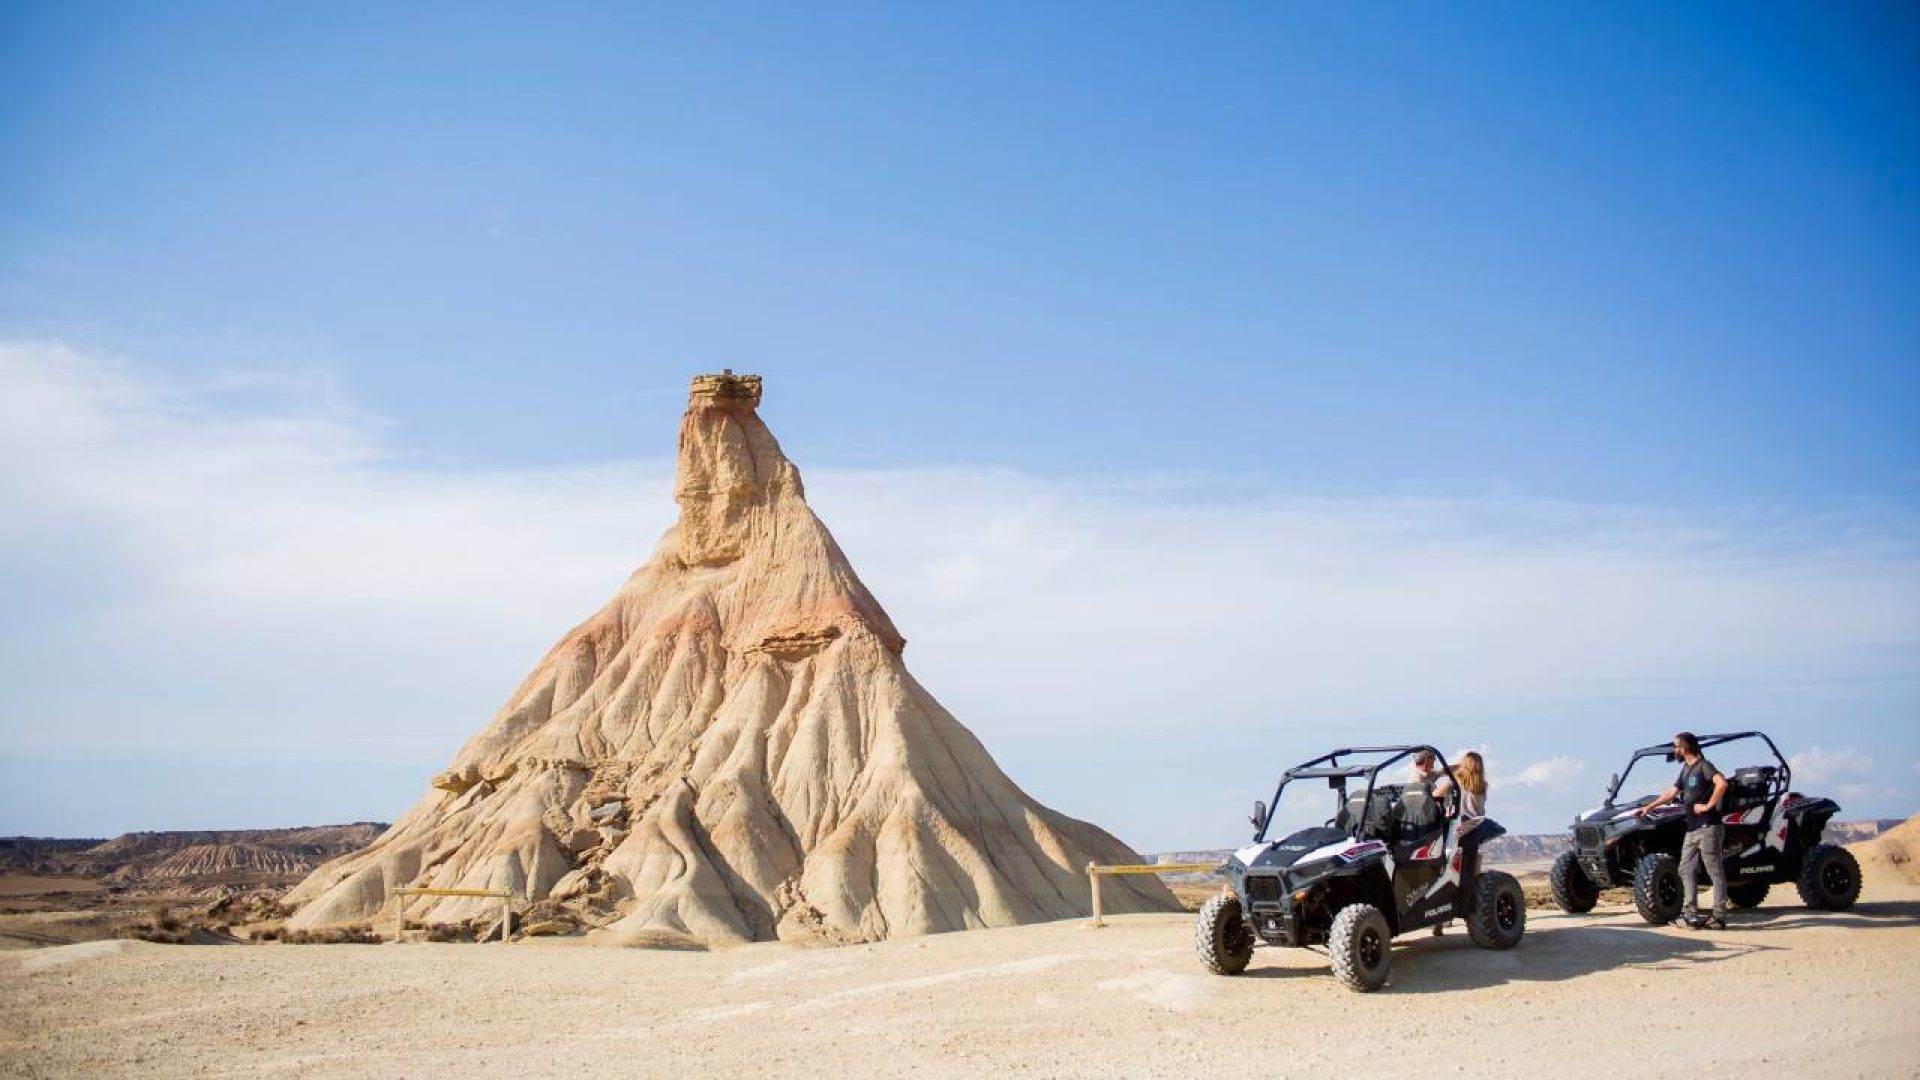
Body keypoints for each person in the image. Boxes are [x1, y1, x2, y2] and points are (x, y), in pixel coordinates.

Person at [1637, 731, 1730, 929]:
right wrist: (1649, 807)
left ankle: (1719, 917)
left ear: (1686, 747)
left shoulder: (1704, 766)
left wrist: (1708, 806)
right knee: (1685, 869)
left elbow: (1722, 783)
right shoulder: (1686, 770)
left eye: (1676, 746)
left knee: (1715, 871)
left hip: (1708, 827)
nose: (1674, 750)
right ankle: (1690, 915)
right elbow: (1672, 792)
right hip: (1692, 829)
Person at [1429, 751, 1488, 937]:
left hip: (1457, 829)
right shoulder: (1482, 784)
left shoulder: (1458, 780)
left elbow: (1436, 794)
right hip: (1474, 830)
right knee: (1467, 874)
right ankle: (1469, 913)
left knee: (1446, 873)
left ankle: (1440, 918)